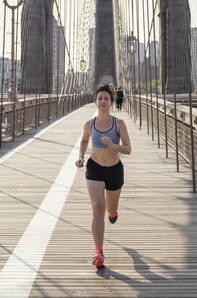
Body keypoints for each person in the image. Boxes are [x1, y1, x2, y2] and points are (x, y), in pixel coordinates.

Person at [75, 84, 132, 267]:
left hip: (115, 170)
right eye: (100, 98)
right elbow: (84, 141)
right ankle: (98, 252)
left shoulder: (119, 124)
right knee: (98, 208)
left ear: (112, 103)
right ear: (95, 102)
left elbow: (128, 149)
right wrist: (81, 157)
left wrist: (113, 145)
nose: (103, 101)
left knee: (109, 209)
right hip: (95, 168)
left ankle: (113, 212)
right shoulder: (89, 124)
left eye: (106, 98)